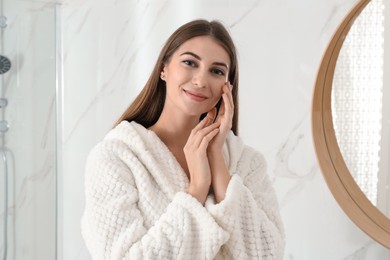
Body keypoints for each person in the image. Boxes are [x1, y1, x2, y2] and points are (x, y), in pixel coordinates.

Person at [81, 19, 285, 259]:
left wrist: (216, 160)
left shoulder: (248, 163)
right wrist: (197, 188)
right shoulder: (117, 157)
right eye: (189, 63)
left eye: (217, 71)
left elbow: (268, 254)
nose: (200, 81)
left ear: (227, 87)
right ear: (163, 69)